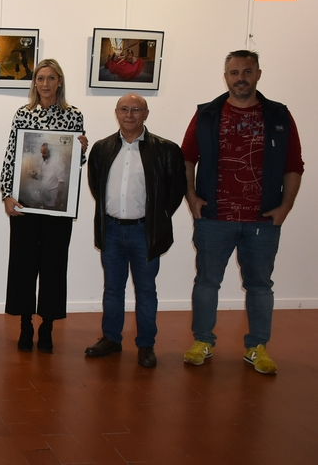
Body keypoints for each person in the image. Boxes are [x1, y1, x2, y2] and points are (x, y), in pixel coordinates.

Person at [181, 50, 303, 375]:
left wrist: (286, 207)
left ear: (259, 74)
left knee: (260, 286)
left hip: (262, 220)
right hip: (214, 218)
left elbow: (294, 165)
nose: (241, 78)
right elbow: (187, 157)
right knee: (207, 282)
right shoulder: (207, 114)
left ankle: (257, 347)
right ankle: (202, 341)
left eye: (247, 72)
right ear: (225, 77)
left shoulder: (279, 116)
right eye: (234, 72)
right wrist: (191, 197)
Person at [84, 94, 186, 368]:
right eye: (124, 109)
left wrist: (156, 219)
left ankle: (145, 345)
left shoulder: (166, 150)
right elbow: (97, 183)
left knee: (146, 291)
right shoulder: (102, 148)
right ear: (116, 112)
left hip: (145, 232)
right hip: (113, 231)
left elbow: (175, 191)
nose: (130, 114)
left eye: (136, 110)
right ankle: (111, 339)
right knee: (113, 289)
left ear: (146, 113)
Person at [0, 59, 87, 353]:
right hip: (25, 202)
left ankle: (47, 325)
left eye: (51, 78)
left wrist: (82, 151)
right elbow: (11, 156)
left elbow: (74, 165)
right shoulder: (23, 114)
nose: (45, 84)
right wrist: (6, 195)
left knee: (53, 265)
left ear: (59, 82)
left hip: (56, 207)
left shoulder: (73, 116)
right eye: (40, 78)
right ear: (34, 83)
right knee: (23, 264)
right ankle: (25, 323)